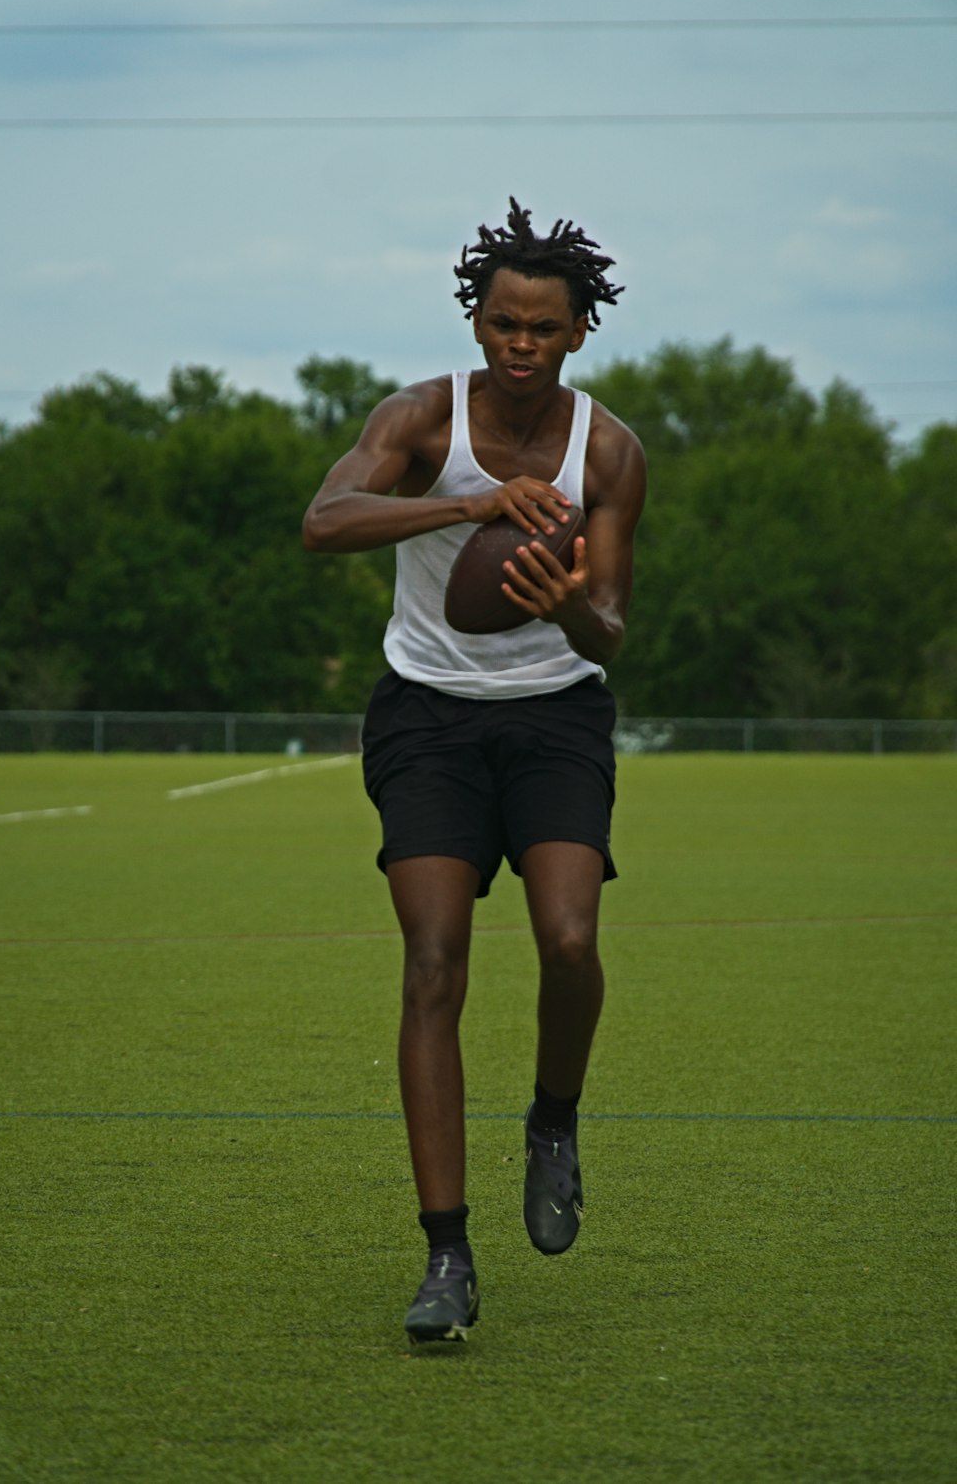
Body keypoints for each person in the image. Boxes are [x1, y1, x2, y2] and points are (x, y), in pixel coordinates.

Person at [302, 197, 646, 1344]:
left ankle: (553, 1121)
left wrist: (568, 609)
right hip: (427, 723)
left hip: (555, 717)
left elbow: (609, 628)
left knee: (568, 939)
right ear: (477, 318)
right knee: (434, 962)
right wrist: (463, 503)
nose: (517, 343)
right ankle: (446, 1254)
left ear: (577, 334)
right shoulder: (418, 415)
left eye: (541, 328)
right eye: (501, 321)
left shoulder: (608, 449)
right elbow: (323, 520)